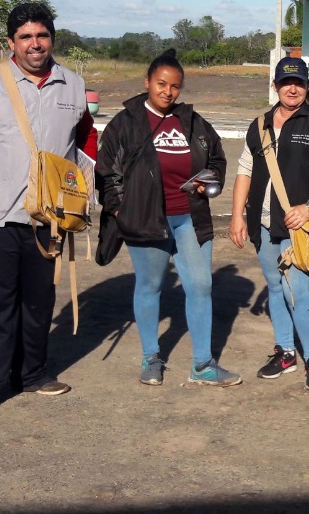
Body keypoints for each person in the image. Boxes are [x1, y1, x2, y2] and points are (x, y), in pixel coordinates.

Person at [0, 2, 97, 423]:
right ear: (11, 42)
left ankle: (32, 373)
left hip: (46, 220)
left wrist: (83, 196)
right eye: (25, 37)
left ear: (52, 39)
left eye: (42, 36)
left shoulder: (73, 85)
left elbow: (85, 144)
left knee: (37, 303)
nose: (35, 44)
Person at [97, 50, 238, 387]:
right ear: (147, 82)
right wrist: (120, 209)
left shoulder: (192, 121)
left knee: (201, 286)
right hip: (146, 220)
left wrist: (206, 183)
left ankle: (202, 364)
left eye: (175, 86)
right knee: (150, 286)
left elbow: (217, 158)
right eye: (161, 84)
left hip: (189, 217)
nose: (168, 92)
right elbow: (106, 171)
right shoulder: (126, 122)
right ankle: (151, 357)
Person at [229, 56, 309, 391]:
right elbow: (245, 171)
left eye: (298, 83)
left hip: (300, 226)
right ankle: (285, 351)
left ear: (307, 87)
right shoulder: (261, 123)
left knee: (297, 290)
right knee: (275, 286)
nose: (291, 88)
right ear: (276, 85)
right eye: (285, 82)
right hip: (263, 223)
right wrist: (237, 215)